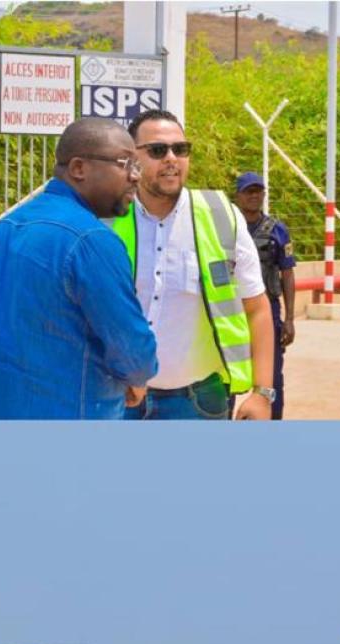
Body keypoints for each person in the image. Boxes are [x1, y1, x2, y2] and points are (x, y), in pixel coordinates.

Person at [0, 118, 157, 419]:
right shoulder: (93, 241)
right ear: (79, 168)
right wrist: (136, 378)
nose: (135, 176)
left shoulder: (6, 229)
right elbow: (134, 354)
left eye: (137, 166)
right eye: (125, 164)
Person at [114, 109, 274, 420]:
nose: (171, 158)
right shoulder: (109, 218)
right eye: (158, 150)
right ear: (133, 159)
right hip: (119, 395)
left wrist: (262, 394)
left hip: (199, 400)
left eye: (181, 149)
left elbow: (257, 308)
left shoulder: (220, 216)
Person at [234, 171, 297, 420]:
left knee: (271, 377)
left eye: (258, 191)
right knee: (225, 374)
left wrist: (289, 319)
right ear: (238, 196)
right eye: (249, 191)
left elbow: (287, 274)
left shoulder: (277, 230)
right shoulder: (227, 227)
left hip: (268, 309)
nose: (254, 196)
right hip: (231, 310)